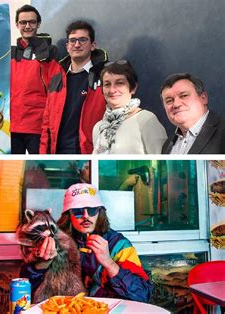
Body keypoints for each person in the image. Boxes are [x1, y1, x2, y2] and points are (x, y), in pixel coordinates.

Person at [21, 183, 152, 302]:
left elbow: (142, 294)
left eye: (92, 210)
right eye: (78, 211)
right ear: (68, 215)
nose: (86, 216)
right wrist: (41, 264)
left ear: (100, 212)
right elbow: (25, 288)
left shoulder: (119, 245)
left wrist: (110, 264)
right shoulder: (54, 240)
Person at [40, 21, 107, 154]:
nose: (77, 44)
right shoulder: (56, 80)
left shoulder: (104, 78)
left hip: (89, 154)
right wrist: (43, 155)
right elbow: (46, 123)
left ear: (93, 45)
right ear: (67, 46)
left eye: (83, 40)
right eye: (72, 40)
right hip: (57, 154)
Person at [9, 5, 61, 154]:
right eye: (23, 22)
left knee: (37, 167)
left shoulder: (50, 51)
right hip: (10, 126)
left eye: (32, 22)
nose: (27, 26)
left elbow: (56, 89)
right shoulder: (9, 53)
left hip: (37, 126)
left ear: (38, 24)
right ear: (17, 25)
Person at [92, 60, 167, 154]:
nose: (112, 90)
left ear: (133, 88)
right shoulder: (98, 128)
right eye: (107, 84)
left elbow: (161, 164)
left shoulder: (146, 120)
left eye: (119, 83)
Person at [160, 73, 225, 154]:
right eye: (169, 101)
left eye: (184, 96)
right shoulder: (166, 145)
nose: (176, 104)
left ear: (203, 98)